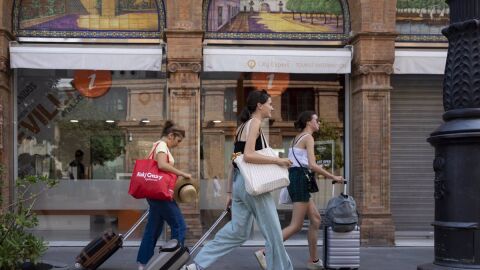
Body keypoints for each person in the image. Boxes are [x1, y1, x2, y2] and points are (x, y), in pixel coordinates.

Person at [182, 90, 293, 270]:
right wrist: (278, 160)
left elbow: (233, 161)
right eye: (270, 103)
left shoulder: (241, 127)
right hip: (254, 185)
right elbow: (248, 156)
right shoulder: (255, 123)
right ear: (259, 105)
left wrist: (230, 192)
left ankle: (198, 265)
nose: (272, 107)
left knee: (237, 231)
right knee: (274, 235)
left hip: (240, 184)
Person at [255, 111, 345, 270]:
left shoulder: (298, 138)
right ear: (309, 122)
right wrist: (334, 177)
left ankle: (313, 261)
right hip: (301, 179)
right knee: (296, 225)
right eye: (317, 120)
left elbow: (303, 163)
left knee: (316, 219)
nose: (319, 123)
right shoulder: (308, 137)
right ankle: (265, 251)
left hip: (297, 178)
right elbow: (312, 165)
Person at [137, 120, 192, 270]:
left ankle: (142, 263)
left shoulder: (156, 145)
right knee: (179, 225)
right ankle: (175, 261)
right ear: (171, 135)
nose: (178, 144)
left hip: (153, 193)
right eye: (178, 140)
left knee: (153, 229)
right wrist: (182, 173)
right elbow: (161, 165)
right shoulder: (162, 145)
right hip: (160, 194)